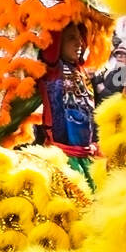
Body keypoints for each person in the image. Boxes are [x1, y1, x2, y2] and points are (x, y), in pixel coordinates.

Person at [40, 23, 98, 186]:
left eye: (80, 38)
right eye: (71, 38)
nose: (79, 43)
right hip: (62, 161)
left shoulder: (81, 71)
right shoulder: (52, 71)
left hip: (87, 159)